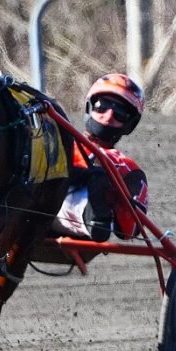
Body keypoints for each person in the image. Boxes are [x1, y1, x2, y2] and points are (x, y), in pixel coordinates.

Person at [58, 72, 151, 241]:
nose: (108, 116)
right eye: (101, 106)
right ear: (89, 107)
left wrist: (115, 196)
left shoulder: (126, 167)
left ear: (130, 124)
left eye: (120, 113)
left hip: (75, 215)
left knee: (100, 178)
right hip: (31, 198)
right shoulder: (59, 141)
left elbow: (129, 230)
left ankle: (94, 216)